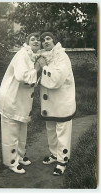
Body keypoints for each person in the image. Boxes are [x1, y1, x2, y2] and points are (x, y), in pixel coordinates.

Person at [0, 32, 41, 174]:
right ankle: (10, 162)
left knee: (22, 129)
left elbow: (32, 80)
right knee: (11, 131)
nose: (36, 41)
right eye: (32, 39)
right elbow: (22, 76)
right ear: (27, 43)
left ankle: (19, 156)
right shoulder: (22, 54)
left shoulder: (31, 56)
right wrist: (38, 69)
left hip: (21, 99)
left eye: (38, 40)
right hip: (11, 98)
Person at [36, 32, 76, 176]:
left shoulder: (61, 56)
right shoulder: (47, 56)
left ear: (55, 41)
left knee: (62, 132)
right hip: (50, 103)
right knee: (51, 130)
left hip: (62, 102)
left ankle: (63, 160)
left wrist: (44, 67)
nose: (45, 41)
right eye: (43, 40)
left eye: (48, 39)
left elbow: (57, 78)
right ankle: (54, 154)